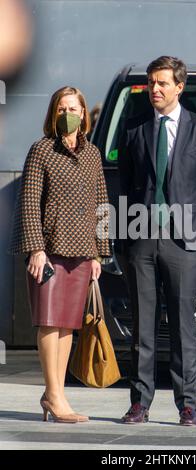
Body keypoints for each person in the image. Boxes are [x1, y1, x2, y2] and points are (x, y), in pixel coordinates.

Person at [119, 56, 196, 426]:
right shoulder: (133, 129)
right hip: (141, 239)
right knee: (142, 327)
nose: (155, 89)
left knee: (183, 327)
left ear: (180, 86)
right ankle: (140, 402)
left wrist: (194, 226)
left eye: (162, 83)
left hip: (184, 244)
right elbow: (125, 184)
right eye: (151, 83)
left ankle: (188, 405)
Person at [8, 86, 110, 423]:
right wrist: (36, 249)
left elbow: (101, 204)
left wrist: (99, 254)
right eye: (62, 108)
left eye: (74, 108)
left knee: (67, 325)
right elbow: (29, 203)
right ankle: (53, 395)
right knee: (49, 323)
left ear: (84, 114)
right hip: (49, 253)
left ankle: (56, 394)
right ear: (54, 114)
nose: (69, 113)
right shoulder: (41, 150)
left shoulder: (93, 154)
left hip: (82, 253)